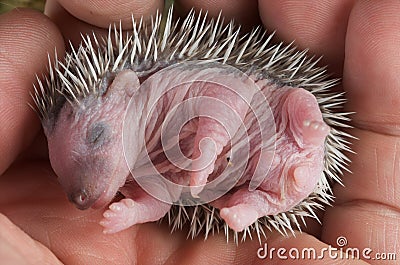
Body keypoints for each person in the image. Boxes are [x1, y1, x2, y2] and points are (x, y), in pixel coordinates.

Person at [0, 0, 398, 264]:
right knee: (217, 198)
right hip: (247, 180)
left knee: (294, 108)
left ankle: (307, 135)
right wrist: (134, 210)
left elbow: (224, 107)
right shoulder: (142, 163)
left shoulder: (183, 86)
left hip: (271, 126)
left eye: (98, 138)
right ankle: (257, 203)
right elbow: (161, 198)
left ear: (126, 89)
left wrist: (204, 154)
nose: (81, 195)